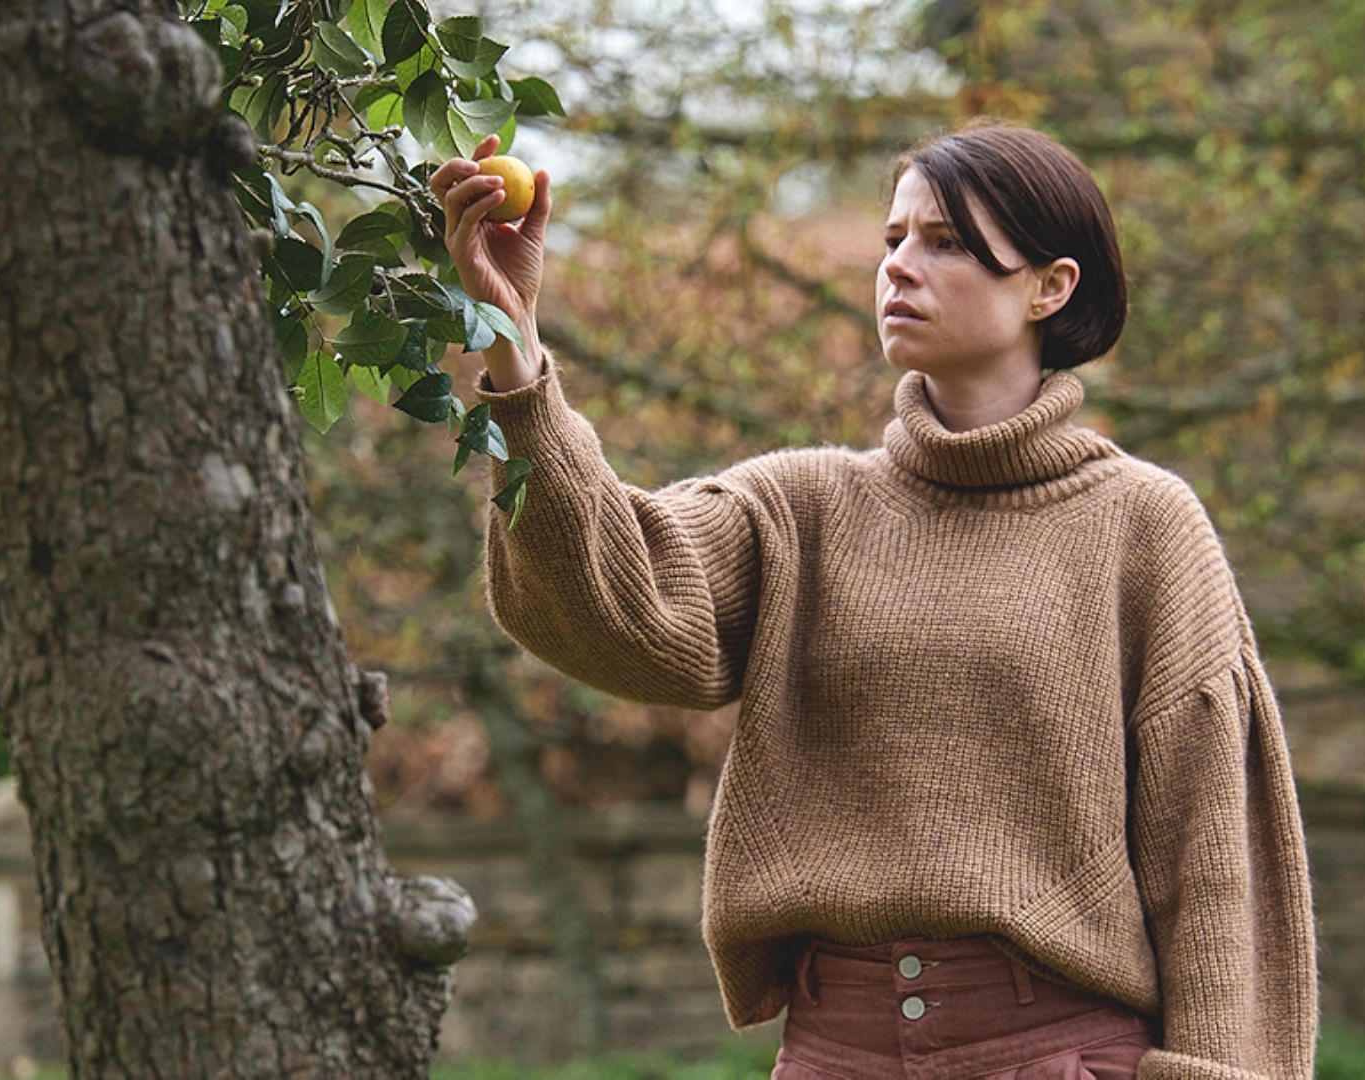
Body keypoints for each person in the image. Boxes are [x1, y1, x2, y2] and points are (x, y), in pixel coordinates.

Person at [427, 120, 1318, 1079]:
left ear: (1049, 287)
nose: (898, 266)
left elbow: (1217, 870)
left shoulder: (1145, 526)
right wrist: (515, 354)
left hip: (1058, 1054)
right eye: (893, 239)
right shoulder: (801, 508)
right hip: (830, 1056)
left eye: (943, 242)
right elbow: (613, 601)